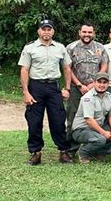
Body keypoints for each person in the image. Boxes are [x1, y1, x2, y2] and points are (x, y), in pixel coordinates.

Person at [18, 19, 73, 165]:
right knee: (34, 121)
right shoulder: (30, 48)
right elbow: (24, 70)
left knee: (58, 120)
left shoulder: (60, 48)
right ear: (39, 31)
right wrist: (26, 92)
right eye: (44, 29)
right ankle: (36, 152)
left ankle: (63, 151)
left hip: (54, 87)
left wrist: (67, 88)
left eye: (49, 29)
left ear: (53, 31)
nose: (46, 32)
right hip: (36, 87)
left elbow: (67, 68)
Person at [66, 22, 108, 154]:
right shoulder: (71, 47)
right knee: (72, 117)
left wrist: (94, 84)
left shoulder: (100, 48)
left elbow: (104, 66)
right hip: (76, 88)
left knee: (96, 116)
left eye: (90, 32)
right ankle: (71, 149)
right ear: (79, 32)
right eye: (84, 32)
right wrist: (79, 85)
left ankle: (94, 146)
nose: (87, 35)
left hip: (95, 89)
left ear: (93, 33)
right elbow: (67, 68)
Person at [71, 72, 111, 164]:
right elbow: (89, 120)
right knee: (101, 139)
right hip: (81, 130)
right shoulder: (88, 98)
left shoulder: (109, 96)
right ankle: (83, 153)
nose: (102, 85)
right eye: (99, 82)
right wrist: (104, 133)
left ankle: (97, 153)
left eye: (104, 82)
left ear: (108, 84)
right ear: (94, 82)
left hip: (96, 129)